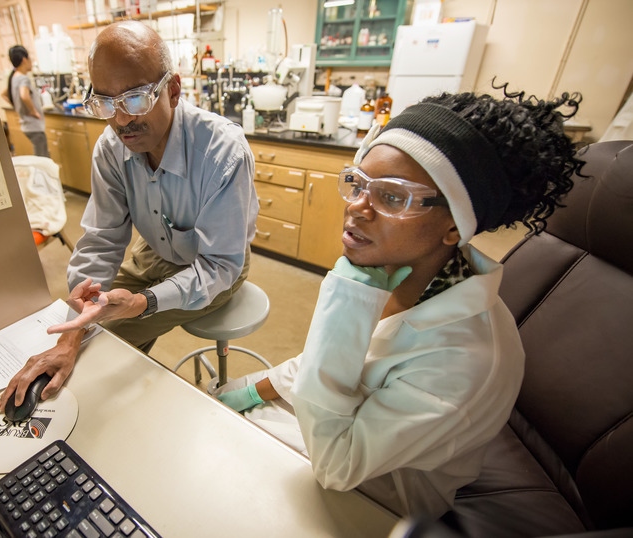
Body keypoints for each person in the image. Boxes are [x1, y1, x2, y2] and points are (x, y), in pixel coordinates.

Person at [215, 84, 585, 517]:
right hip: (330, 426)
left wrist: (346, 307)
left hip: (374, 496)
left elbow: (337, 466)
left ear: (455, 227)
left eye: (392, 197)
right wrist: (247, 393)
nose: (358, 207)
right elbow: (328, 363)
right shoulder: (403, 276)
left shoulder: (466, 359)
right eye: (357, 184)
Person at [0, 22, 258, 412]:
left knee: (104, 344)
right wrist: (69, 337)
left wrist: (143, 302)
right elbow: (102, 240)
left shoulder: (222, 152)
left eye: (135, 99)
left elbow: (219, 264)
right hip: (153, 250)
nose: (121, 121)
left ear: (173, 89)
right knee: (81, 336)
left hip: (216, 266)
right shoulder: (110, 148)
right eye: (104, 103)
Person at [2, 45, 49, 158]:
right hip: (33, 125)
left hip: (26, 124)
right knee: (42, 158)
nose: (31, 62)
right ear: (24, 60)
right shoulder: (23, 78)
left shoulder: (14, 77)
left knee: (40, 156)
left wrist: (18, 107)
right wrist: (33, 111)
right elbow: (24, 96)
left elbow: (4, 94)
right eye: (30, 59)